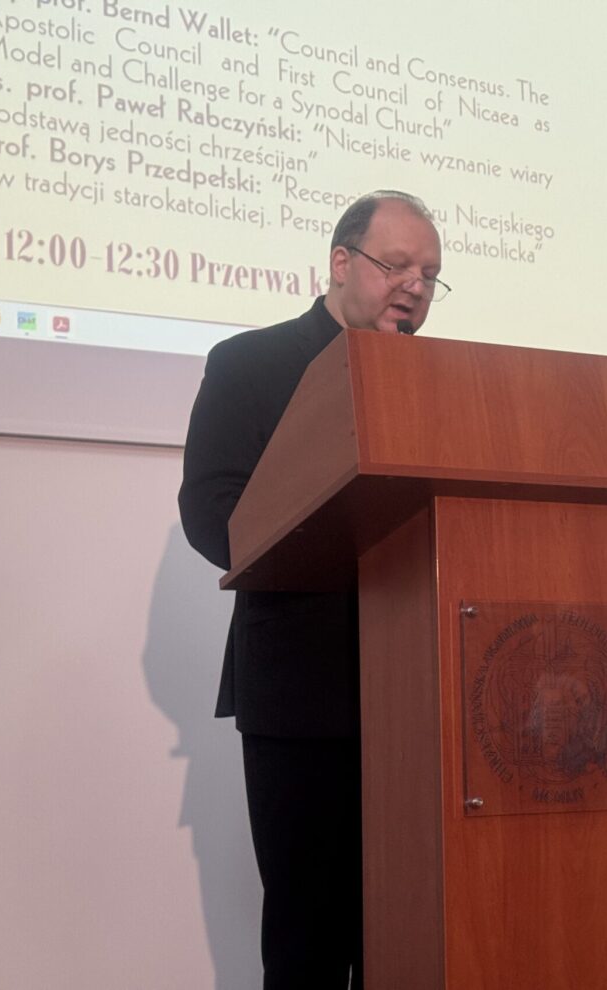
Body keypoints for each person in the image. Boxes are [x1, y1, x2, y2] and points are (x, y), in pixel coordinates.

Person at [178, 190, 445, 989]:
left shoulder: (442, 384)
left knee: (413, 934)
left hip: (423, 696)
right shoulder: (250, 365)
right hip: (304, 692)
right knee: (310, 942)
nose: (415, 286)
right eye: (396, 265)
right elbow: (211, 510)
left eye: (430, 274)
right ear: (340, 262)